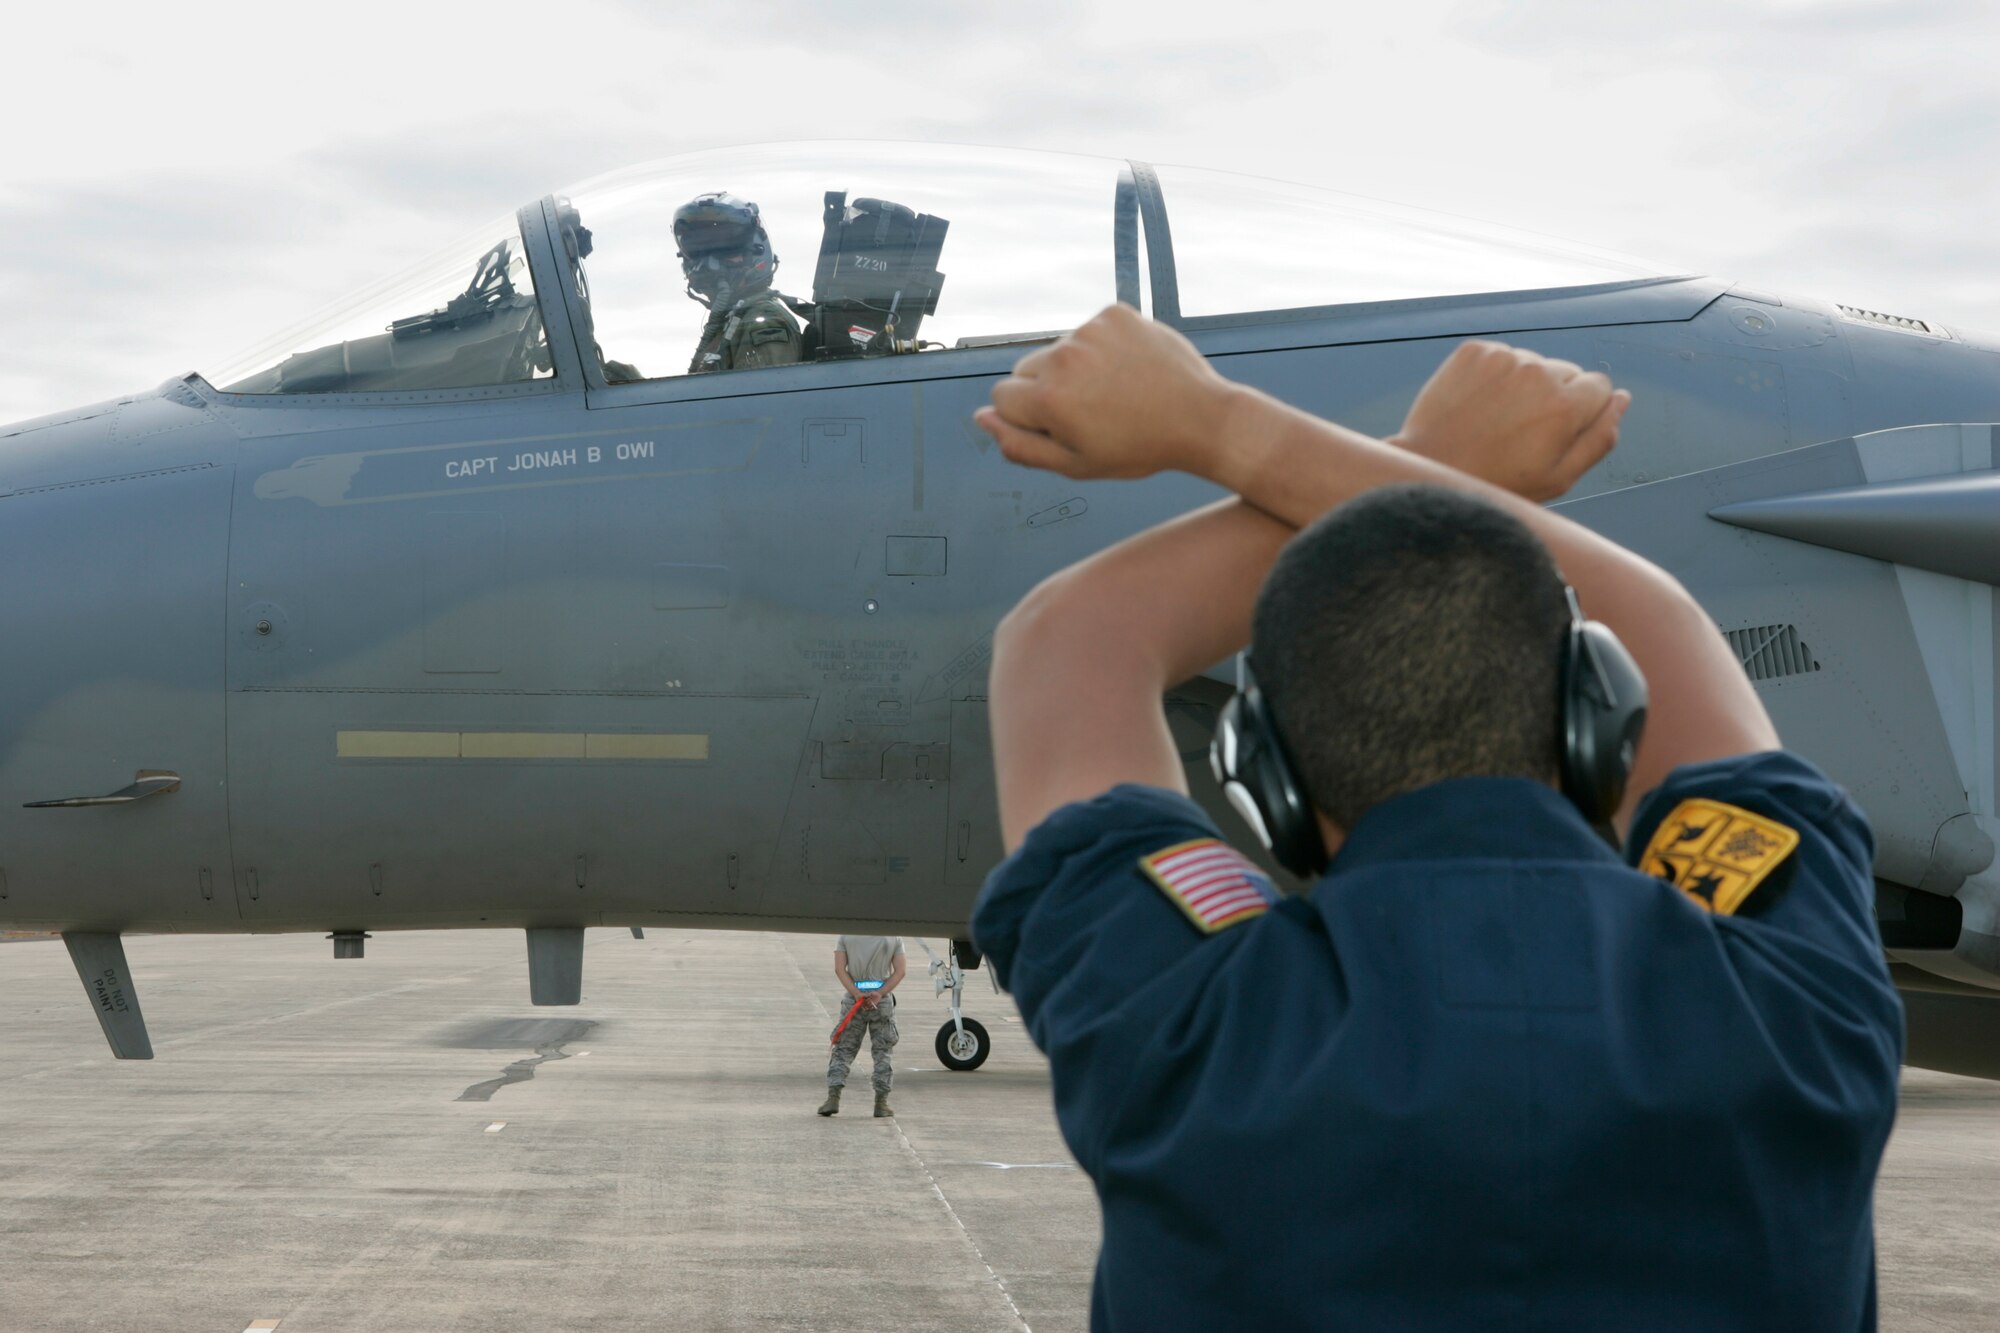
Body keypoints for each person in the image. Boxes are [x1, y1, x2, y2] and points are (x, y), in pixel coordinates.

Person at [968, 306, 1903, 1330]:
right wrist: (1227, 426)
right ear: (1594, 715)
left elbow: (1073, 638)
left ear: (1265, 774)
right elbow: (1657, 618)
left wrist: (1416, 458)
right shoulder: (1797, 1001)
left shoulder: (1188, 1025)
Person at [672, 192, 802, 376]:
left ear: (756, 251)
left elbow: (761, 400)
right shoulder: (731, 319)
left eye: (726, 248)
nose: (709, 263)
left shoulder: (763, 321)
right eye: (698, 248)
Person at [820, 934, 907, 1118]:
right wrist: (880, 992)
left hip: (854, 1000)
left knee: (843, 1050)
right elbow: (900, 971)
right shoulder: (894, 937)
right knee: (882, 1052)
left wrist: (857, 993)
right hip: (881, 1000)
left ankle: (833, 1098)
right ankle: (881, 1103)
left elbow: (839, 969)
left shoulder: (846, 936)